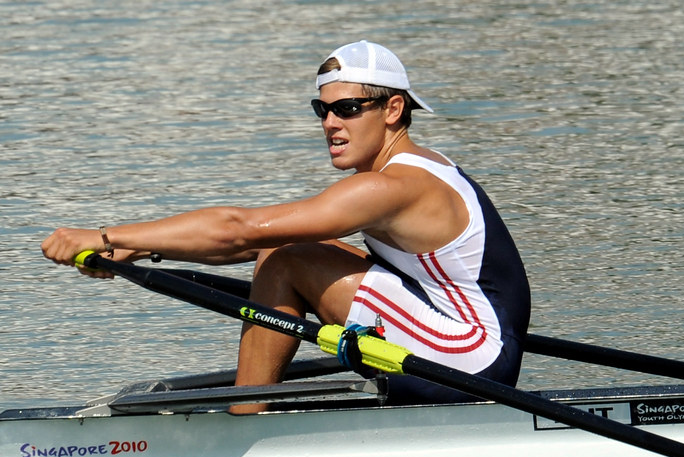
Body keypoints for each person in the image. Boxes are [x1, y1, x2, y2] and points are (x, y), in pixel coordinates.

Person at [41, 40, 531, 411]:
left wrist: (107, 236)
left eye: (347, 109)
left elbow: (241, 229)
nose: (330, 124)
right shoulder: (409, 171)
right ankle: (254, 407)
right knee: (292, 245)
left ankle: (247, 422)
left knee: (287, 255)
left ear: (394, 109)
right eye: (323, 109)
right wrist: (144, 250)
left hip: (467, 361)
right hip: (465, 340)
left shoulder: (395, 186)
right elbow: (246, 239)